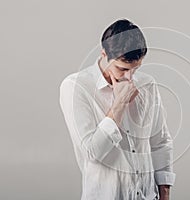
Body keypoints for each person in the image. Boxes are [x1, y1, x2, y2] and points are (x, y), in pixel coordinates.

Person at [59, 19, 175, 200]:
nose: (130, 77)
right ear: (103, 54)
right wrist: (120, 103)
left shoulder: (147, 84)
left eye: (135, 69)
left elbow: (160, 142)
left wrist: (165, 194)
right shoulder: (75, 87)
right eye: (122, 69)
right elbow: (92, 153)